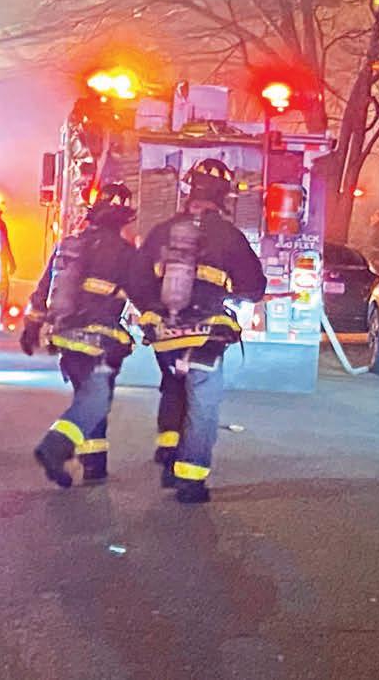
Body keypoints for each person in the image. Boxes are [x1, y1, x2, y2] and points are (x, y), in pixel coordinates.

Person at [129, 158, 266, 504]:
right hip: (206, 336)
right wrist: (228, 290)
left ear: (189, 190)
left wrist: (155, 310)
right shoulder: (229, 236)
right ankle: (190, 481)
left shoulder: (163, 231)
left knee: (174, 384)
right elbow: (254, 287)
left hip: (165, 336)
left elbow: (136, 279)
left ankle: (169, 454)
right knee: (203, 400)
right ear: (224, 195)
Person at [22, 183, 139, 488]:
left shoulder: (69, 246)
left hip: (66, 339)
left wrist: (31, 327)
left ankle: (95, 465)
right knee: (95, 401)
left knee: (89, 397)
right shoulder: (125, 253)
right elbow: (143, 293)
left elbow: (43, 290)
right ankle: (55, 447)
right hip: (100, 340)